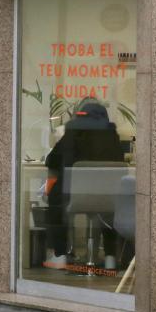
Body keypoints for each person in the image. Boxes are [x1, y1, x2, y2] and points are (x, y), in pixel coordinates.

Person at [44, 99, 126, 264]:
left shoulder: (72, 134)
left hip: (75, 198)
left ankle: (60, 255)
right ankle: (110, 257)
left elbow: (51, 161)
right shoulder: (113, 137)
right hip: (107, 198)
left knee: (55, 202)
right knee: (108, 211)